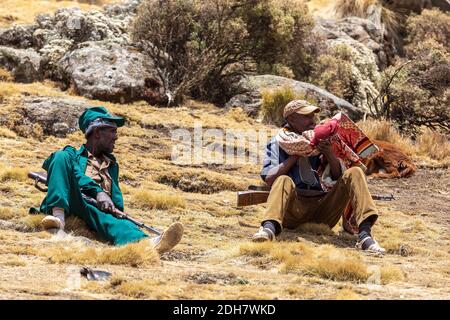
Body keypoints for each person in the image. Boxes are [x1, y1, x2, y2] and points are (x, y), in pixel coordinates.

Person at [38, 106, 183, 254]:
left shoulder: (112, 166)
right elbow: (74, 174)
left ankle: (146, 243)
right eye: (112, 130)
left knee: (118, 222)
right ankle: (58, 221)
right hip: (74, 200)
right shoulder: (71, 154)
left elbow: (115, 203)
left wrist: (116, 210)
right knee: (59, 156)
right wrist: (98, 192)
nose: (116, 137)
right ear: (97, 132)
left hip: (96, 212)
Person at [252, 100, 385, 254]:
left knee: (355, 172)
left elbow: (338, 177)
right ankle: (268, 229)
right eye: (307, 116)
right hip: (294, 210)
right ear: (292, 119)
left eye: (313, 116)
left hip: (324, 210)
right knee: (283, 180)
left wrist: (329, 153)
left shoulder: (322, 140)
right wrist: (297, 154)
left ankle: (364, 236)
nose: (312, 120)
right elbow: (269, 178)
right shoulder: (276, 143)